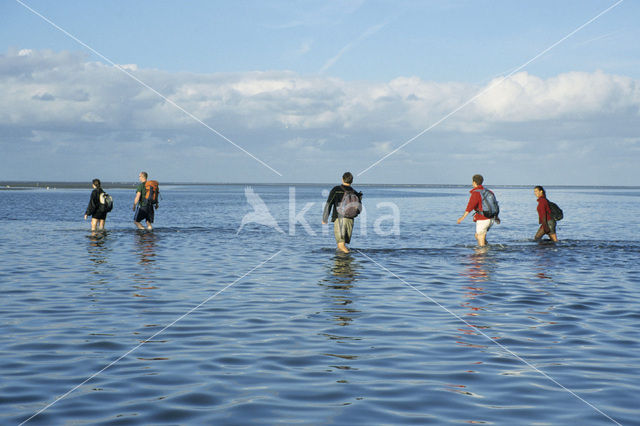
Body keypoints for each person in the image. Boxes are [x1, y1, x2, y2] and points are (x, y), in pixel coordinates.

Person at [322, 172, 363, 254]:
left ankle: (351, 258)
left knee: (341, 246)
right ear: (352, 181)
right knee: (341, 246)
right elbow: (359, 208)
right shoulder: (354, 192)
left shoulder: (336, 190)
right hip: (350, 220)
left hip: (340, 219)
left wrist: (325, 218)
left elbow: (329, 203)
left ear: (342, 179)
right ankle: (344, 265)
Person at [457, 174, 500, 247]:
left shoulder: (476, 193)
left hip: (483, 219)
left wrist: (463, 217)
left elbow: (470, 206)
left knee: (480, 238)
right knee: (478, 236)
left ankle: (482, 255)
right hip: (491, 218)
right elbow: (495, 205)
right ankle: (488, 249)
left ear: (474, 182)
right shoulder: (489, 191)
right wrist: (496, 217)